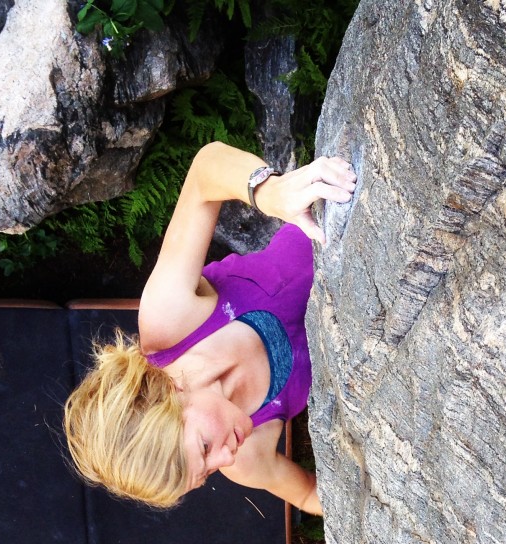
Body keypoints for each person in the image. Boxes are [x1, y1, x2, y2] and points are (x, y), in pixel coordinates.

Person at [63, 141, 357, 516]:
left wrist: (272, 192)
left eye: (204, 447)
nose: (225, 457)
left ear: (168, 392)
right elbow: (309, 497)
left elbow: (206, 169)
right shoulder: (248, 461)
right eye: (209, 472)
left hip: (345, 232)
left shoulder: (171, 322)